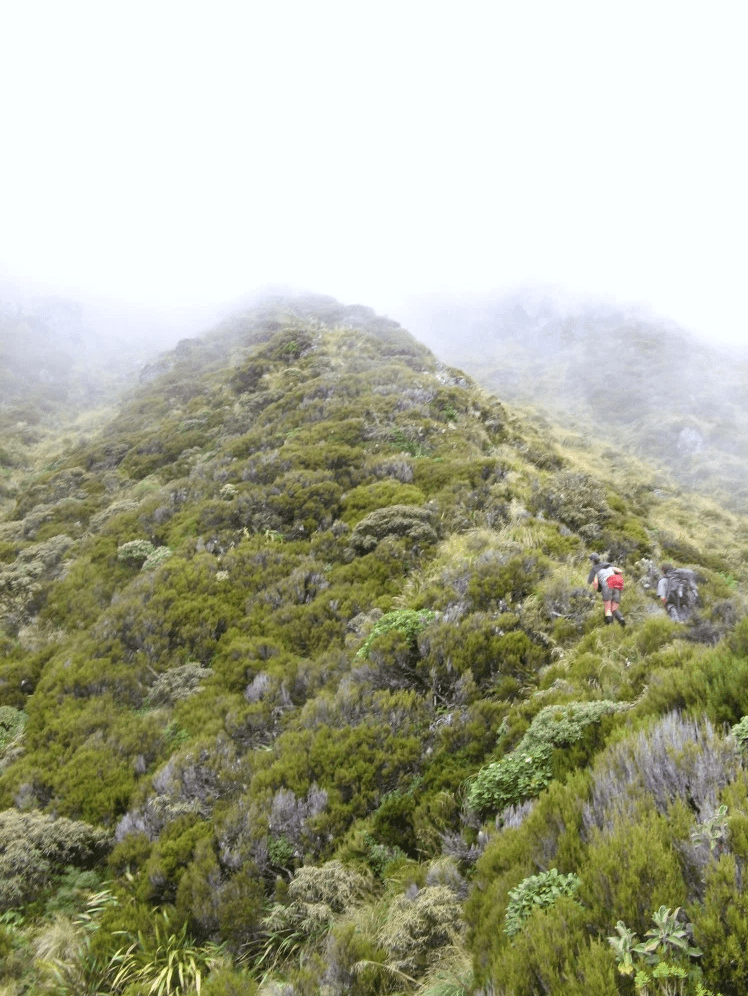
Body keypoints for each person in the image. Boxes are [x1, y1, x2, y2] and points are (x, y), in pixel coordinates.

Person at [587, 553, 626, 626]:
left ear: (592, 561)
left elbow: (594, 582)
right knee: (613, 607)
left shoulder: (594, 569)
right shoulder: (608, 564)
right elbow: (620, 571)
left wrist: (598, 589)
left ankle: (610, 628)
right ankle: (621, 619)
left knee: (608, 608)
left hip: (607, 586)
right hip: (616, 585)